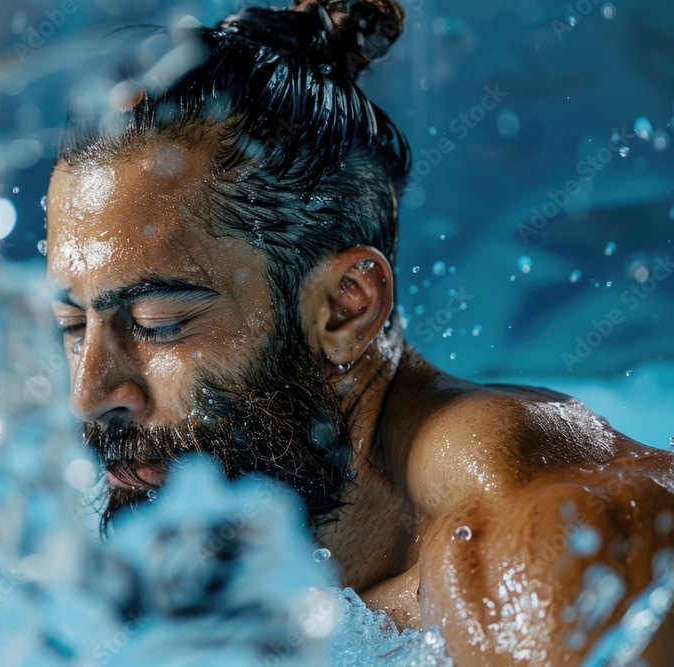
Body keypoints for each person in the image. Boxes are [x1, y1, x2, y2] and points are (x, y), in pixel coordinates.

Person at [43, 0, 674, 662]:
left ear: (347, 307)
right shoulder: (256, 541)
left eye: (157, 322)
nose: (89, 392)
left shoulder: (537, 564)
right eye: (71, 323)